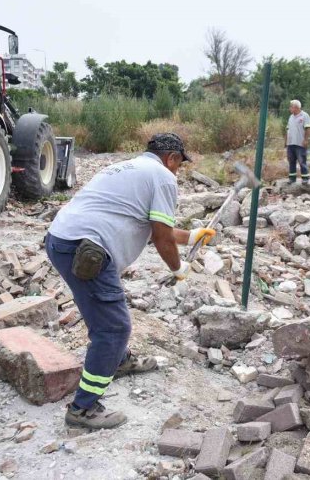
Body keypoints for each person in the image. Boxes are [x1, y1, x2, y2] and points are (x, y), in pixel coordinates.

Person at [46, 133, 215, 429]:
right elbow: (161, 238)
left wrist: (191, 236)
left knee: (100, 311)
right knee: (114, 327)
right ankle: (83, 408)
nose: (178, 170)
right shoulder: (163, 176)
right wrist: (179, 269)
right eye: (178, 164)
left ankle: (118, 360)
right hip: (88, 248)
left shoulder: (127, 168)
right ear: (171, 158)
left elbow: (153, 226)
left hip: (62, 239)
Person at [285, 99, 310, 184]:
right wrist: (286, 141)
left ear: (296, 107)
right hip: (291, 143)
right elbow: (287, 129)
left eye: (291, 107)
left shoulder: (305, 116)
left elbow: (308, 128)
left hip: (300, 143)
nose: (289, 108)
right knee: (291, 161)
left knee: (302, 161)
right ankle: (292, 178)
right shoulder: (291, 117)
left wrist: (306, 140)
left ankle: (305, 178)